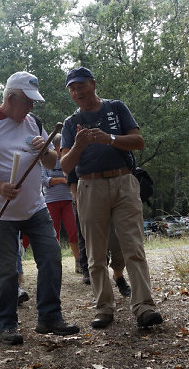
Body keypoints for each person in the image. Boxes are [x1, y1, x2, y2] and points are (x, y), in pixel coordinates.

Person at [0, 71, 79, 345]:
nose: (32, 107)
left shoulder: (34, 123)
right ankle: (7, 324)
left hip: (34, 207)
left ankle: (49, 316)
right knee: (5, 271)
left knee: (51, 258)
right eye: (27, 101)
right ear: (10, 98)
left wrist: (44, 151)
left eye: (33, 102)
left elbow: (53, 163)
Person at [60, 66, 162, 330]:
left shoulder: (116, 108)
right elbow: (65, 166)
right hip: (90, 187)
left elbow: (139, 142)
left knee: (133, 248)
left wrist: (109, 138)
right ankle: (104, 308)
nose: (77, 91)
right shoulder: (71, 124)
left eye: (81, 85)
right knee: (95, 254)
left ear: (93, 84)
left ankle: (144, 306)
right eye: (72, 88)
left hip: (124, 182)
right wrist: (80, 145)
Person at [42, 133, 80, 266]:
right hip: (51, 200)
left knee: (73, 230)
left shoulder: (67, 160)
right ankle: (55, 262)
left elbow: (72, 177)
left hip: (68, 199)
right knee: (53, 233)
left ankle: (78, 261)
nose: (62, 150)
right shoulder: (46, 160)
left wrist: (62, 180)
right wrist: (61, 180)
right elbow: (44, 180)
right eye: (59, 147)